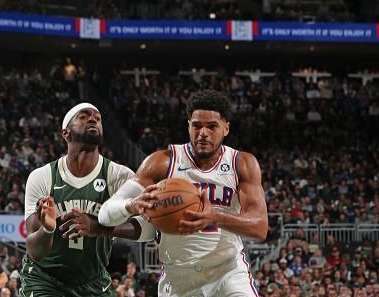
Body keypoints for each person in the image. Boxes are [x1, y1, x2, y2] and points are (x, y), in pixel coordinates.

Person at [98, 90, 268, 297]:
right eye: (197, 126)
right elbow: (105, 213)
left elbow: (260, 228)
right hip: (178, 278)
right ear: (188, 126)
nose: (203, 133)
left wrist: (216, 217)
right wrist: (130, 205)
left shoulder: (242, 163)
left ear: (226, 128)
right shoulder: (162, 162)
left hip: (227, 272)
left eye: (212, 126)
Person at [19, 102, 141, 297]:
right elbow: (34, 251)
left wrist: (97, 227)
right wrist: (48, 229)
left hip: (93, 281)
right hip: (45, 279)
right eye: (83, 116)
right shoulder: (42, 177)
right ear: (65, 133)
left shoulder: (120, 176)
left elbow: (144, 229)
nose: (93, 118)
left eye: (97, 117)